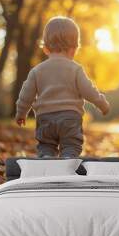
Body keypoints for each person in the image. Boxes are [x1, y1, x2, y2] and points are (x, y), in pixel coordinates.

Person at [15, 16, 110, 157]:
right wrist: (102, 104)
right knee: (71, 145)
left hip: (45, 118)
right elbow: (89, 91)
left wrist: (21, 113)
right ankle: (68, 161)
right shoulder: (75, 69)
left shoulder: (37, 71)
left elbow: (26, 95)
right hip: (70, 118)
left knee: (46, 146)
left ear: (46, 48)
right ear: (74, 49)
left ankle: (47, 161)